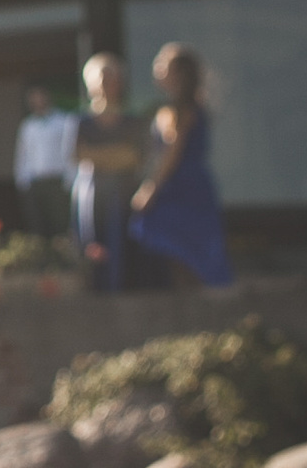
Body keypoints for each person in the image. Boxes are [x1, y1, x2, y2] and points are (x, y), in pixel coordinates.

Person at [131, 43, 236, 289]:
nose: (156, 68)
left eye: (162, 64)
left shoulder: (180, 111)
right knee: (192, 249)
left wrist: (150, 189)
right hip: (192, 185)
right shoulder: (187, 106)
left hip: (180, 187)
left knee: (175, 241)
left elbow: (171, 155)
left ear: (176, 72)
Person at [71, 52, 146, 294]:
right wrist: (117, 155)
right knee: (94, 246)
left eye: (112, 78)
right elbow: (77, 155)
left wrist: (98, 156)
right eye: (101, 78)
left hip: (125, 193)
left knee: (124, 247)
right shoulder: (81, 121)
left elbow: (135, 157)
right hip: (93, 194)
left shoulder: (132, 121)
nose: (107, 84)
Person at [13, 84, 79, 239]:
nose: (37, 101)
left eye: (40, 96)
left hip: (58, 181)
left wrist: (70, 180)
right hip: (36, 182)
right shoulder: (28, 126)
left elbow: (71, 153)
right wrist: (22, 180)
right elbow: (23, 154)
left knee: (60, 224)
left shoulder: (64, 121)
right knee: (37, 225)